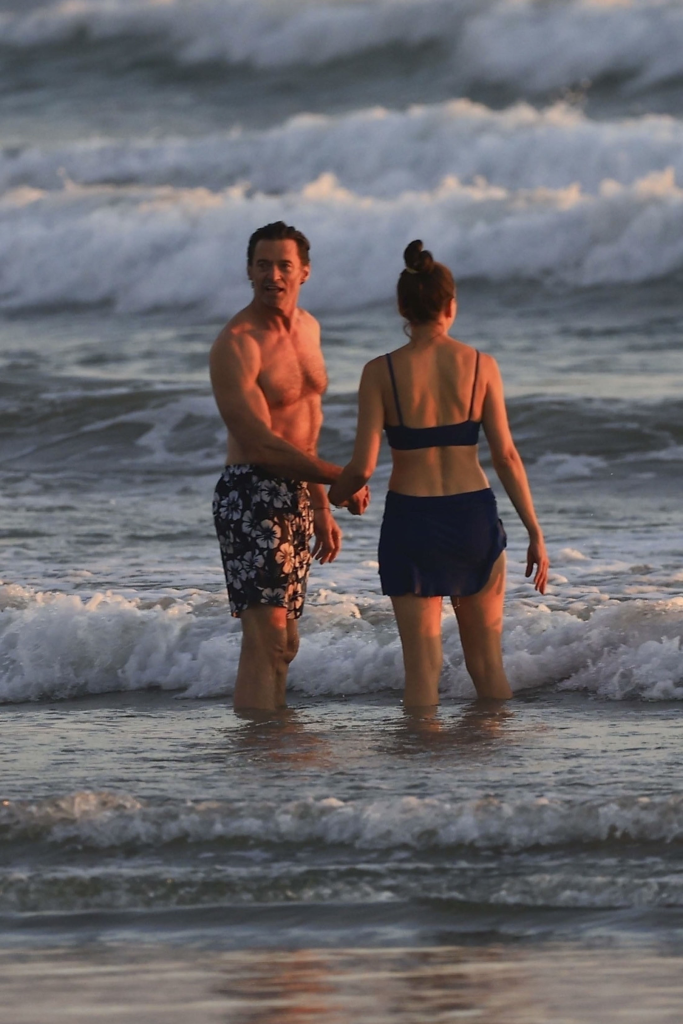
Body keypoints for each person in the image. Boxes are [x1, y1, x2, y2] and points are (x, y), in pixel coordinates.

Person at [328, 240, 548, 706]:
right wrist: (534, 529)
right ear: (451, 305)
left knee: (421, 672)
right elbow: (506, 455)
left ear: (402, 307)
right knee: (487, 665)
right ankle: (500, 773)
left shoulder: (379, 372)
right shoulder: (481, 366)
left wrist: (335, 496)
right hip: (473, 516)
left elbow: (362, 467)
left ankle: (419, 776)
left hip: (412, 521)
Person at [210, 221, 369, 712]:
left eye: (283, 265)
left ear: (305, 271)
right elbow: (259, 443)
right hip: (251, 493)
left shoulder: (309, 329)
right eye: (262, 265)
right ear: (249, 271)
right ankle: (259, 750)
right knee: (267, 642)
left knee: (287, 645)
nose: (272, 275)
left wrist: (321, 502)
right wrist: (338, 476)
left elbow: (306, 422)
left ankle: (270, 744)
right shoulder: (237, 343)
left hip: (298, 493)